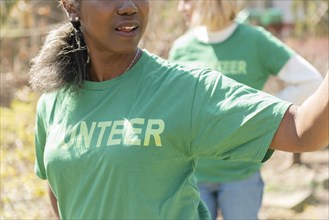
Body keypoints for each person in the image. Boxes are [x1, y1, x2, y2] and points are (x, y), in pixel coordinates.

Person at [29, 0, 328, 219]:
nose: (129, 6)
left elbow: (305, 131)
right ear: (72, 7)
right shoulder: (54, 102)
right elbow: (62, 194)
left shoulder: (185, 89)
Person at [168, 1, 324, 219]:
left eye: (186, 0)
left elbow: (310, 81)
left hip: (240, 176)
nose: (180, 7)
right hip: (193, 175)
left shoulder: (255, 40)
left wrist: (262, 116)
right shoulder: (182, 47)